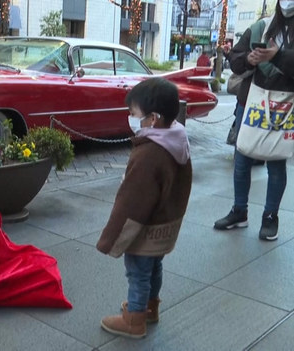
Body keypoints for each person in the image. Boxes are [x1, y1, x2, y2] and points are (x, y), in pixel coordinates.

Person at [96, 77, 192, 339]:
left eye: (134, 113)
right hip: (165, 225)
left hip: (145, 228)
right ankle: (150, 308)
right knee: (154, 267)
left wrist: (111, 237)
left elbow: (132, 202)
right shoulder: (177, 139)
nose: (130, 117)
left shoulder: (150, 153)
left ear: (153, 119)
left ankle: (134, 320)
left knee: (137, 272)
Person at [214, 0, 294, 241]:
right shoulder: (262, 26)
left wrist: (277, 56)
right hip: (251, 101)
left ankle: (270, 217)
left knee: (276, 163)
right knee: (242, 158)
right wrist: (251, 58)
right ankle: (240, 211)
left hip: (285, 105)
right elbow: (236, 61)